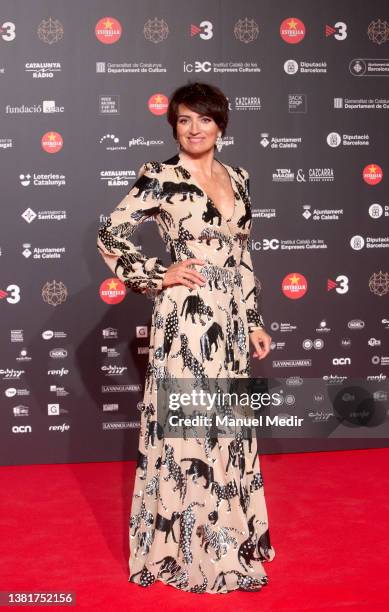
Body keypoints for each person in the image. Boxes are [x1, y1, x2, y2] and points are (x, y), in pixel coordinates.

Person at [96, 81, 276, 594]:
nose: (194, 129)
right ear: (173, 125)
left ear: (221, 124)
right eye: (183, 120)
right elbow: (110, 232)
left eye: (204, 119)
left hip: (232, 320)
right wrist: (159, 272)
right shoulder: (160, 177)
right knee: (189, 435)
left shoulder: (239, 178)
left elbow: (242, 257)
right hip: (186, 319)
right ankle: (184, 550)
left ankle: (232, 539)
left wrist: (255, 318)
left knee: (227, 431)